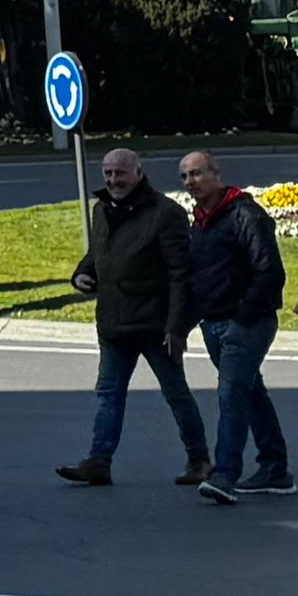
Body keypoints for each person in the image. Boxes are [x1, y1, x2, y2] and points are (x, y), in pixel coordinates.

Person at [58, 145, 206, 488]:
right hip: (113, 324)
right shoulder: (102, 210)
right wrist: (82, 274)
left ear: (138, 172)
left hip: (156, 326)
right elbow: (96, 256)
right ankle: (99, 461)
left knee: (176, 394)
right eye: (108, 173)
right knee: (109, 394)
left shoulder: (165, 213)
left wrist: (177, 327)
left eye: (120, 173)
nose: (113, 180)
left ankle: (199, 460)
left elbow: (180, 274)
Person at [182, 153, 293, 502]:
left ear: (216, 175)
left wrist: (243, 316)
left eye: (197, 173)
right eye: (184, 176)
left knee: (232, 395)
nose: (190, 182)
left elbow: (270, 272)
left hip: (247, 323)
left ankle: (225, 475)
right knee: (250, 393)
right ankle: (275, 469)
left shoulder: (245, 214)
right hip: (213, 324)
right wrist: (183, 324)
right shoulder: (200, 223)